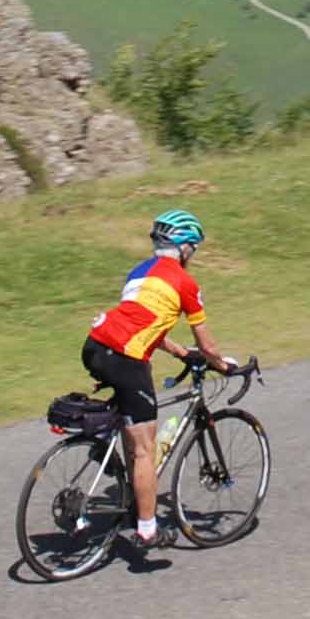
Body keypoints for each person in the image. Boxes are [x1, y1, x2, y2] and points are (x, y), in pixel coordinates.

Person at [83, 208, 235, 549]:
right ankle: (148, 530)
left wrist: (181, 353)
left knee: (132, 421)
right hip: (126, 359)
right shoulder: (184, 282)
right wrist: (224, 366)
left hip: (95, 347)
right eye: (193, 250)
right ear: (184, 248)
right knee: (145, 450)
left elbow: (145, 325)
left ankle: (111, 447)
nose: (192, 257)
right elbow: (207, 343)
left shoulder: (138, 273)